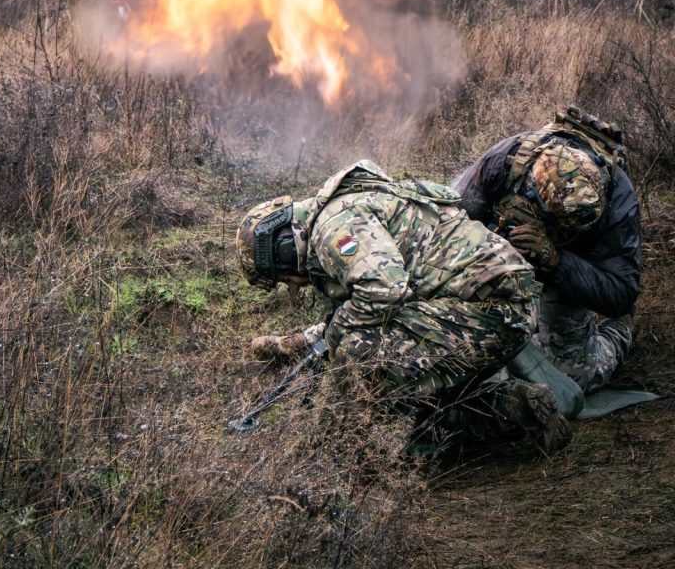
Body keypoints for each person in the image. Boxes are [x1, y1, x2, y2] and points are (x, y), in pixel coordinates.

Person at [235, 159, 572, 454]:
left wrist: (333, 340)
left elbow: (383, 291)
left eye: (283, 277)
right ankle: (514, 408)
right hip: (480, 307)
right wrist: (299, 343)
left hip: (491, 310)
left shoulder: (333, 227)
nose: (293, 287)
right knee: (395, 378)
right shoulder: (345, 211)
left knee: (360, 354)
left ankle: (341, 457)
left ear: (282, 246)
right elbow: (368, 302)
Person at [454, 105, 640, 394]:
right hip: (496, 260)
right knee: (465, 358)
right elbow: (452, 226)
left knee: (571, 378)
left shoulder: (620, 200)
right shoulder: (505, 160)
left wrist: (555, 260)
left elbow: (621, 294)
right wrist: (495, 247)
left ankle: (619, 333)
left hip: (564, 274)